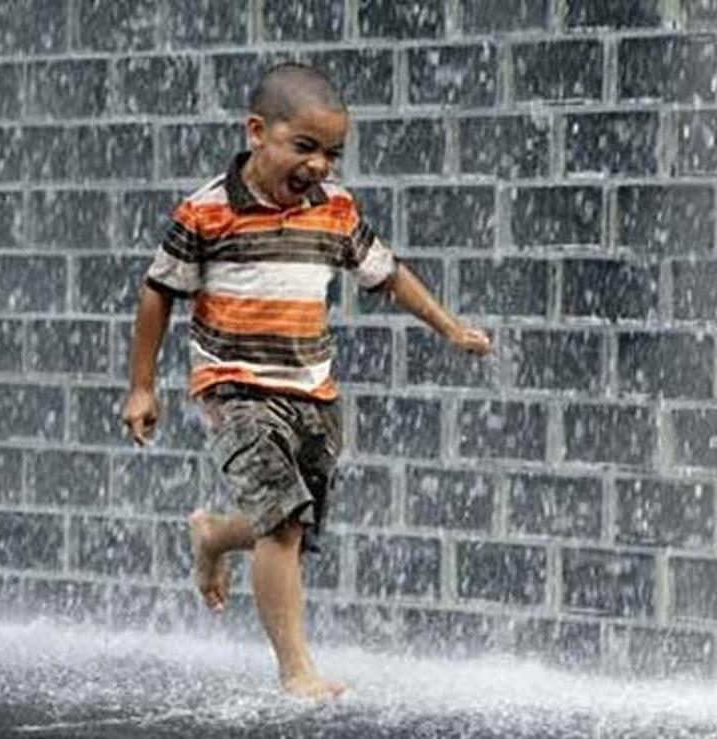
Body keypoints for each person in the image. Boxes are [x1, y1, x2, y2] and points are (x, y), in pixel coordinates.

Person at [120, 63, 491, 699]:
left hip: (312, 388)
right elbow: (158, 293)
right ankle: (297, 671)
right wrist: (143, 385)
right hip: (234, 388)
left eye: (333, 153)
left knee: (293, 521)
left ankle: (213, 533)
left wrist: (448, 326)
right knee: (284, 527)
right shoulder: (206, 211)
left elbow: (389, 273)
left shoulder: (335, 210)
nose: (320, 165)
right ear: (258, 132)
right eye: (306, 147)